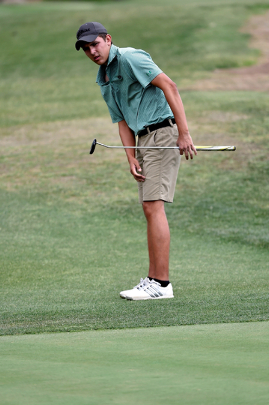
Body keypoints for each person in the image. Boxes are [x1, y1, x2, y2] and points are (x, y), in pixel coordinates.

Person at [75, 22, 197, 300]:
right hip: (142, 141)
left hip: (162, 133)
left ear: (107, 39)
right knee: (148, 208)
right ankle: (154, 280)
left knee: (154, 207)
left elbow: (170, 86)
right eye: (86, 48)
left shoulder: (131, 57)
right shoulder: (104, 76)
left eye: (95, 44)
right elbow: (120, 119)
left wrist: (184, 133)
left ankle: (162, 285)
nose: (92, 51)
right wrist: (130, 155)